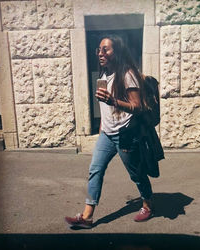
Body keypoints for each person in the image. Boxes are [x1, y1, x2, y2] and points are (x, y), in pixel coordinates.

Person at [65, 35, 157, 229]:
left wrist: (113, 101)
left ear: (118, 51)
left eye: (106, 49)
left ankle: (148, 204)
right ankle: (87, 216)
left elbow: (137, 106)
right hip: (107, 134)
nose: (100, 53)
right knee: (95, 170)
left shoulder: (128, 74)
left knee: (136, 174)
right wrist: (101, 131)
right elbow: (105, 110)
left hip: (125, 135)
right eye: (99, 49)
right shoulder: (103, 75)